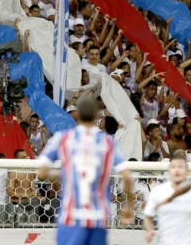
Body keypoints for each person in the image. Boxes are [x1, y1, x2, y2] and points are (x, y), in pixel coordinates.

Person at [36, 97, 135, 245]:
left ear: (78, 115)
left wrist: (61, 176)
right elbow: (127, 177)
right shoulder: (107, 142)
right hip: (98, 217)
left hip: (71, 217)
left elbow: (42, 173)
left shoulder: (63, 138)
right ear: (96, 114)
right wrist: (128, 205)